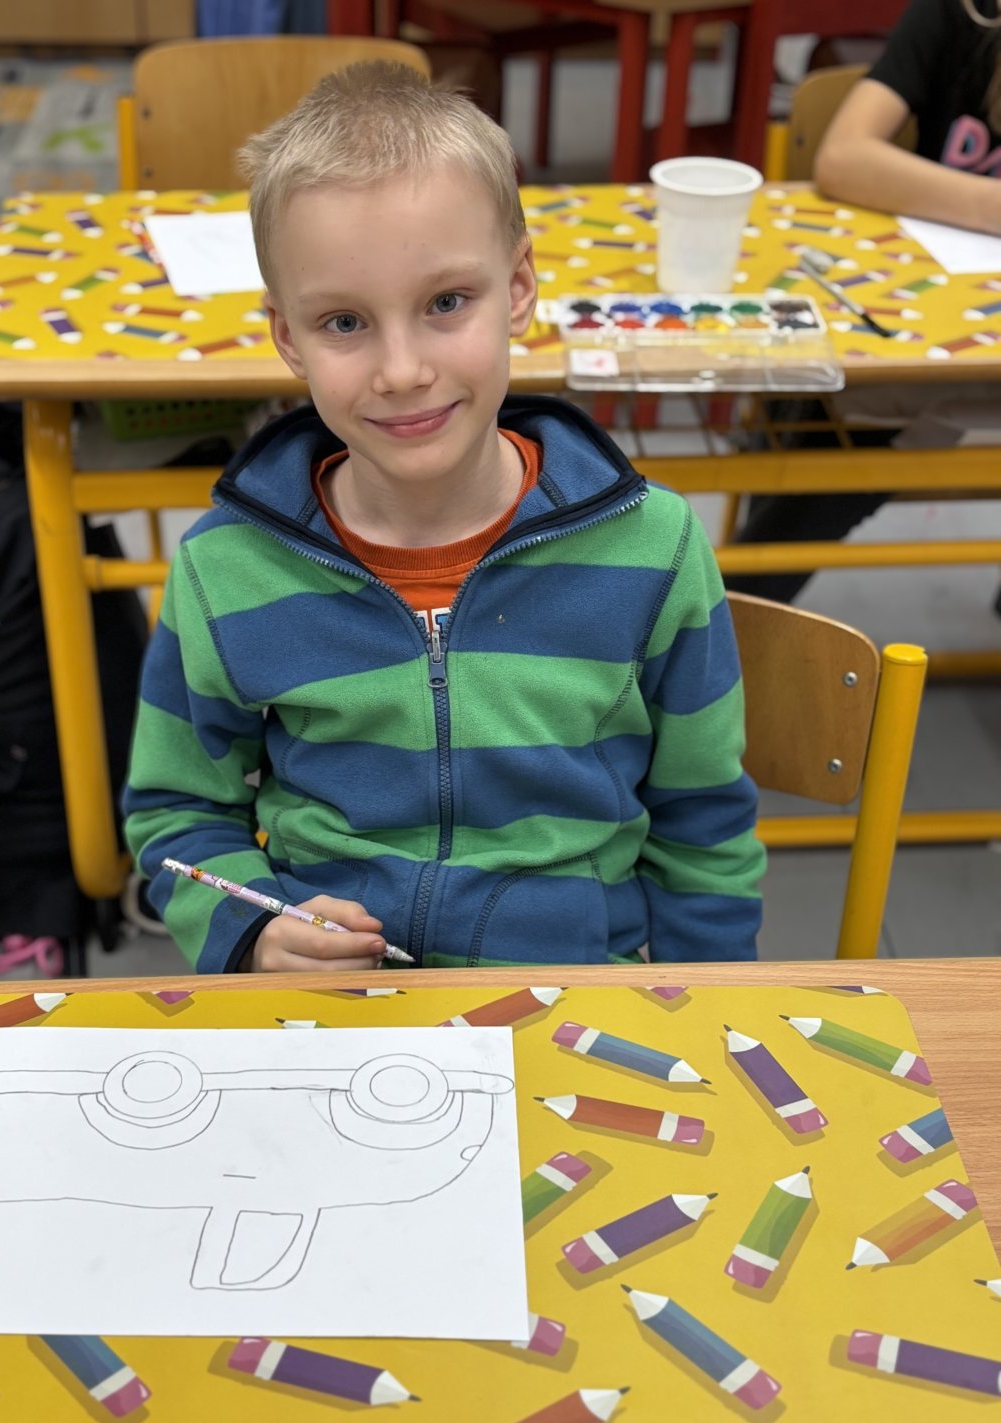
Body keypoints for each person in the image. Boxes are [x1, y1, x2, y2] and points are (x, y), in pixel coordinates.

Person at [124, 62, 765, 974]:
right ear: (287, 337)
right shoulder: (225, 569)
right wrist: (253, 930)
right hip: (335, 1015)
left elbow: (704, 826)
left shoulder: (653, 548)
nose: (402, 371)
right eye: (344, 323)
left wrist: (711, 1001)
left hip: (574, 998)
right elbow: (174, 816)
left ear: (519, 287)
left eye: (446, 304)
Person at [730, 0, 1001, 603]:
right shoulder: (962, 16)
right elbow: (843, 156)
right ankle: (738, 614)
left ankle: (739, 608)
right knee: (857, 406)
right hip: (932, 323)